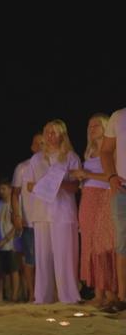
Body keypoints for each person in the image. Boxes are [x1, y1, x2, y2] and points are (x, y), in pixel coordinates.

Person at [24, 120, 81, 304]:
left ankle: (69, 297)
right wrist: (45, 185)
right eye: (47, 132)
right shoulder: (36, 159)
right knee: (43, 258)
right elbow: (29, 185)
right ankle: (42, 297)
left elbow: (75, 186)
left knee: (64, 256)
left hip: (63, 213)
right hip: (41, 213)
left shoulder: (71, 157)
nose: (49, 135)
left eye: (54, 132)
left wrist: (58, 184)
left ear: (62, 135)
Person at [71, 114, 118, 308]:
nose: (92, 128)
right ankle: (98, 293)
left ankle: (111, 293)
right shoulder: (88, 152)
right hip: (88, 198)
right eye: (90, 125)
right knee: (90, 244)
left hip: (105, 197)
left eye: (97, 125)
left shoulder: (112, 151)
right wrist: (81, 179)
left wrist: (87, 174)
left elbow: (112, 177)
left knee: (104, 244)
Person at [10, 132, 44, 302]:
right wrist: (17, 214)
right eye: (37, 143)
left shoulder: (52, 167)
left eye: (43, 143)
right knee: (30, 258)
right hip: (29, 220)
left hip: (47, 221)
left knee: (47, 258)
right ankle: (32, 293)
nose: (41, 147)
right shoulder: (22, 167)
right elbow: (15, 194)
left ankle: (47, 292)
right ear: (32, 147)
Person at [100, 108, 126, 313]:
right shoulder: (119, 117)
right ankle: (122, 297)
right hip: (122, 189)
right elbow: (106, 150)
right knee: (122, 242)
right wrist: (110, 176)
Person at [0, 179, 21, 303]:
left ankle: (14, 296)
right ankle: (0, 295)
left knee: (14, 270)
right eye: (0, 189)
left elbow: (16, 226)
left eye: (4, 189)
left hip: (12, 244)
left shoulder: (15, 206)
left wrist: (6, 239)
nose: (1, 192)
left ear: (10, 189)